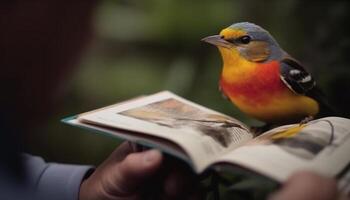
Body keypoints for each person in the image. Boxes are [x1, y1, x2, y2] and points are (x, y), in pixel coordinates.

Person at [0, 1, 345, 200]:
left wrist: (84, 190)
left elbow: (314, 101)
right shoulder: (228, 79)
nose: (226, 44)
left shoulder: (284, 69)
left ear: (260, 48)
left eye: (239, 41)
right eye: (226, 39)